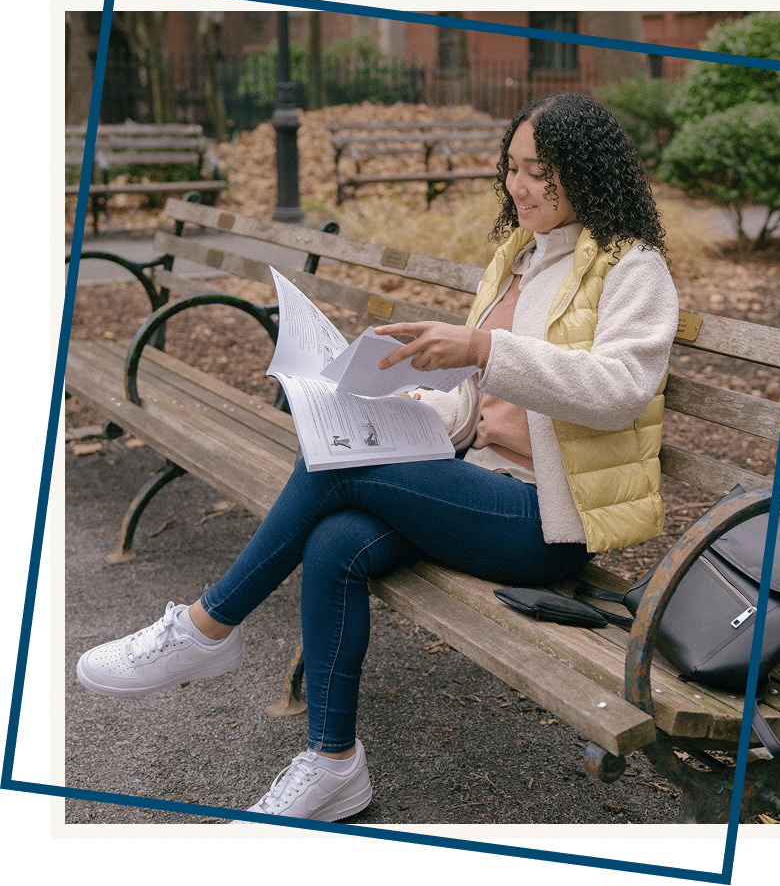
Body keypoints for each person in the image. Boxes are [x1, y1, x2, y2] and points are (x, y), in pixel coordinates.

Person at [76, 92, 679, 824]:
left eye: (539, 172)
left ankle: (207, 628)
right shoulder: (517, 257)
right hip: (473, 488)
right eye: (512, 169)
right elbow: (472, 399)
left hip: (545, 518)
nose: (519, 187)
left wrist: (483, 348)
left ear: (585, 173)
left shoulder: (632, 268)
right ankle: (333, 766)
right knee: (336, 540)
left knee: (339, 466)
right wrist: (401, 407)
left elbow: (619, 391)